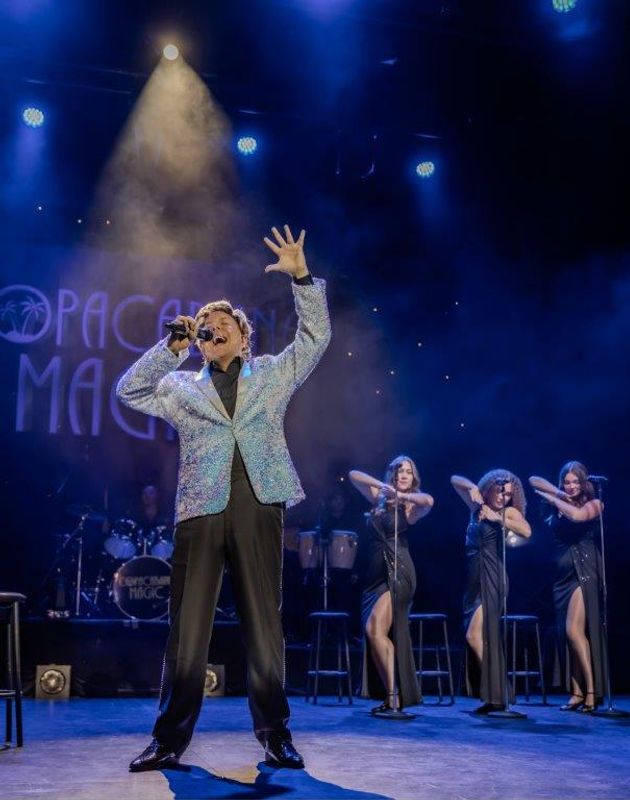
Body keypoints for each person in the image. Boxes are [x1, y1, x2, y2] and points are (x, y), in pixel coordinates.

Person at [117, 225, 331, 771]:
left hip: (258, 504)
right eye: (203, 330)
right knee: (188, 629)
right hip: (200, 509)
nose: (209, 334)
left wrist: (302, 277)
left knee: (264, 624)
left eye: (218, 327)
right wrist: (172, 348)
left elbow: (315, 338)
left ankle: (275, 734)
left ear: (242, 334)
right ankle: (168, 739)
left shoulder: (271, 375)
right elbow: (129, 390)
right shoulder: (181, 385)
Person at [349, 456, 433, 712]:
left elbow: (429, 501)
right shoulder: (380, 499)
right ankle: (390, 694)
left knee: (375, 629)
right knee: (372, 633)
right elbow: (354, 474)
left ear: (413, 476)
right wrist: (384, 488)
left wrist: (401, 495)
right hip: (374, 575)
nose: (403, 475)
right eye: (398, 471)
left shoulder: (410, 507)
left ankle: (394, 695)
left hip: (399, 571)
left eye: (408, 471)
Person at [451, 470, 531, 713]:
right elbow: (455, 480)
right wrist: (474, 487)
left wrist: (498, 519)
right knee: (479, 636)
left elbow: (527, 531)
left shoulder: (508, 512)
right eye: (499, 490)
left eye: (508, 493)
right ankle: (496, 695)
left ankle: (500, 692)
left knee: (475, 635)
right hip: (474, 578)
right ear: (490, 488)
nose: (503, 496)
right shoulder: (477, 506)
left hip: (493, 575)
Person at [529, 462, 606, 713]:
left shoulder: (594, 504)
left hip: (584, 570)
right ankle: (576, 693)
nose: (571, 486)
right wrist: (558, 493)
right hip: (561, 576)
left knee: (574, 632)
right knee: (566, 634)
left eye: (576, 482)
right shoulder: (560, 497)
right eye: (567, 482)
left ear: (584, 483)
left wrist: (557, 500)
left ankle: (592, 691)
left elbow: (578, 516)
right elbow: (533, 479)